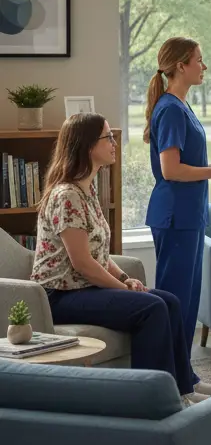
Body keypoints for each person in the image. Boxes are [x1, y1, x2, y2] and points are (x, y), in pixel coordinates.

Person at [31, 114, 200, 405]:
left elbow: (99, 253)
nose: (114, 143)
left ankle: (182, 390)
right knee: (151, 308)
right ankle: (150, 400)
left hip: (83, 288)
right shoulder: (67, 195)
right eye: (107, 138)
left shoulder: (88, 189)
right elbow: (83, 263)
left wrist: (125, 278)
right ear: (86, 145)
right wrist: (123, 290)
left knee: (169, 301)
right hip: (58, 295)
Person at [144, 36, 211, 399]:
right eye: (199, 59)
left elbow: (184, 164)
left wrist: (209, 168)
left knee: (187, 302)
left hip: (189, 215)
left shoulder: (181, 106)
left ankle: (186, 377)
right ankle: (174, 385)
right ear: (181, 65)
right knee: (175, 302)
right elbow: (170, 169)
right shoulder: (169, 109)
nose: (204, 65)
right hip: (174, 216)